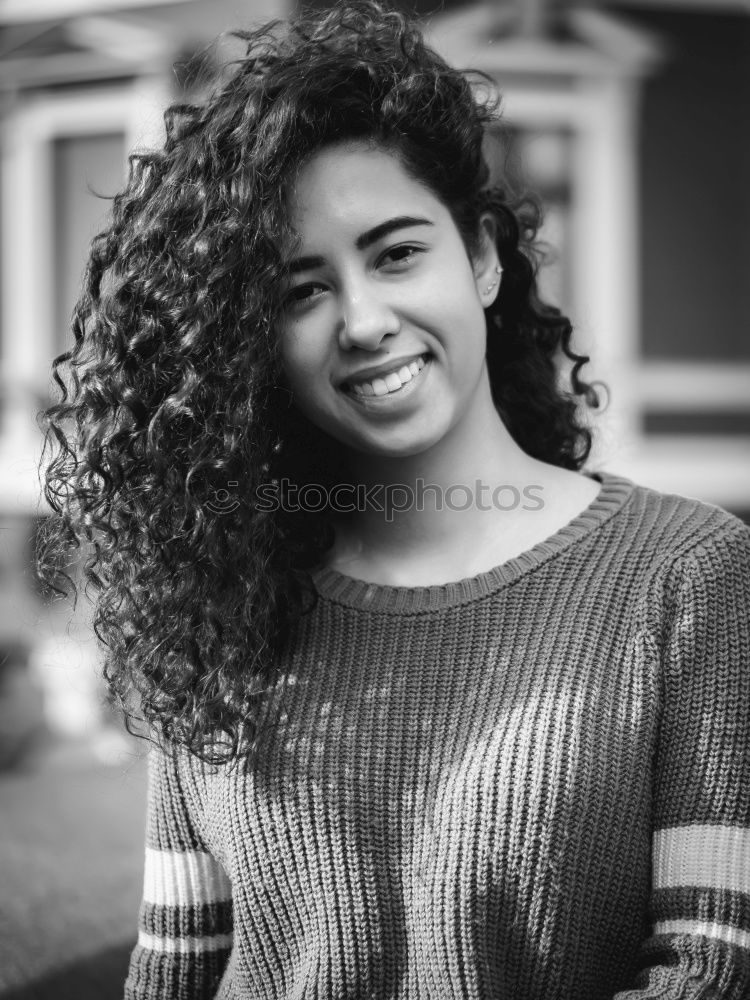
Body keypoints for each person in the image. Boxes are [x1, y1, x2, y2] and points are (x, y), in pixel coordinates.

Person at [36, 2, 750, 998]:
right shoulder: (212, 599)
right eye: (300, 290)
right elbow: (176, 963)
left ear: (485, 259)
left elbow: (712, 965)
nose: (364, 320)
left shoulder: (686, 574)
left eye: (397, 252)